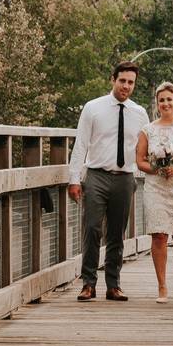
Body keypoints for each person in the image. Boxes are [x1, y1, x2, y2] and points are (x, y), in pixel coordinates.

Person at [68, 61, 150, 302]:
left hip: (124, 178)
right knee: (92, 228)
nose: (126, 86)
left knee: (116, 232)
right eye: (122, 80)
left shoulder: (140, 113)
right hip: (96, 176)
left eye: (131, 82)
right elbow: (81, 144)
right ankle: (88, 283)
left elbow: (145, 148)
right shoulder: (93, 108)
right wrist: (74, 179)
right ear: (113, 79)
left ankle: (113, 284)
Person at [135, 82, 173, 303]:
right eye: (162, 100)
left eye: (169, 99)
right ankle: (162, 286)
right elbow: (140, 161)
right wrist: (157, 169)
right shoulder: (148, 130)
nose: (166, 103)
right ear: (157, 104)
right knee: (159, 235)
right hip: (156, 187)